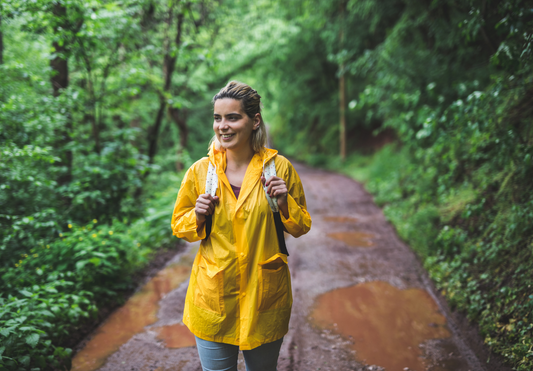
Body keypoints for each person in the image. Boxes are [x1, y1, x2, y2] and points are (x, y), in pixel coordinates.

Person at [171, 81, 312, 371]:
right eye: (217, 118)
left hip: (264, 298)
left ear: (254, 120)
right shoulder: (200, 172)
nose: (223, 126)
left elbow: (300, 226)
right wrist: (197, 216)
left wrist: (284, 202)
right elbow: (180, 227)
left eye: (232, 117)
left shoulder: (279, 169)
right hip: (213, 299)